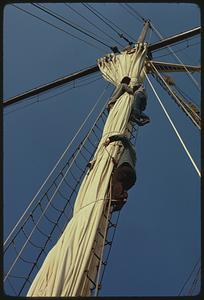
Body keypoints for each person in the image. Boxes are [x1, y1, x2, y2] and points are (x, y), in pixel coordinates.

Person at [104, 134, 137, 212]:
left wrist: (110, 139)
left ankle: (117, 198)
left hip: (125, 169)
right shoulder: (132, 156)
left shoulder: (128, 147)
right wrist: (116, 163)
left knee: (116, 180)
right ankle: (121, 197)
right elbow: (125, 161)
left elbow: (124, 137)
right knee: (121, 185)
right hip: (131, 177)